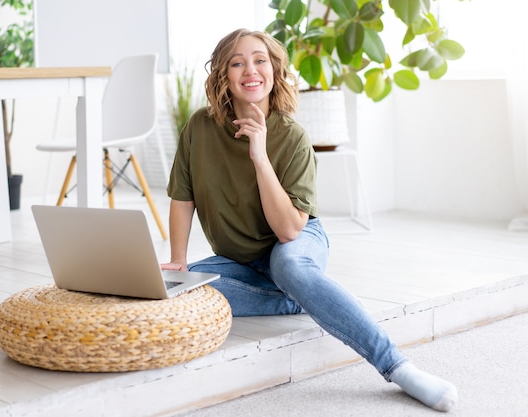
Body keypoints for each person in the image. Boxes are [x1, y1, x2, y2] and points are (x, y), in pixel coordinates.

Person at [161, 28, 458, 412]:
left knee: (288, 266)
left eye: (259, 60)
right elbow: (182, 198)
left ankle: (398, 366)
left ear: (273, 70)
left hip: (296, 242)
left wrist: (259, 154)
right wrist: (179, 261)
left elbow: (289, 230)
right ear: (222, 74)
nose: (250, 70)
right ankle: (302, 297)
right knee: (181, 292)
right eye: (237, 62)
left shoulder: (293, 136)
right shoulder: (199, 128)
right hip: (239, 260)